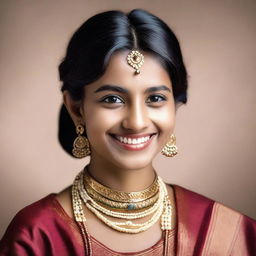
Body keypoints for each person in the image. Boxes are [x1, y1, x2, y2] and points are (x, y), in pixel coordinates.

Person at [0, 9, 255, 256]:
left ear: (175, 107)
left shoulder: (229, 234)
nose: (136, 122)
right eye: (112, 99)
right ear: (77, 109)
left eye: (155, 98)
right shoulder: (36, 236)